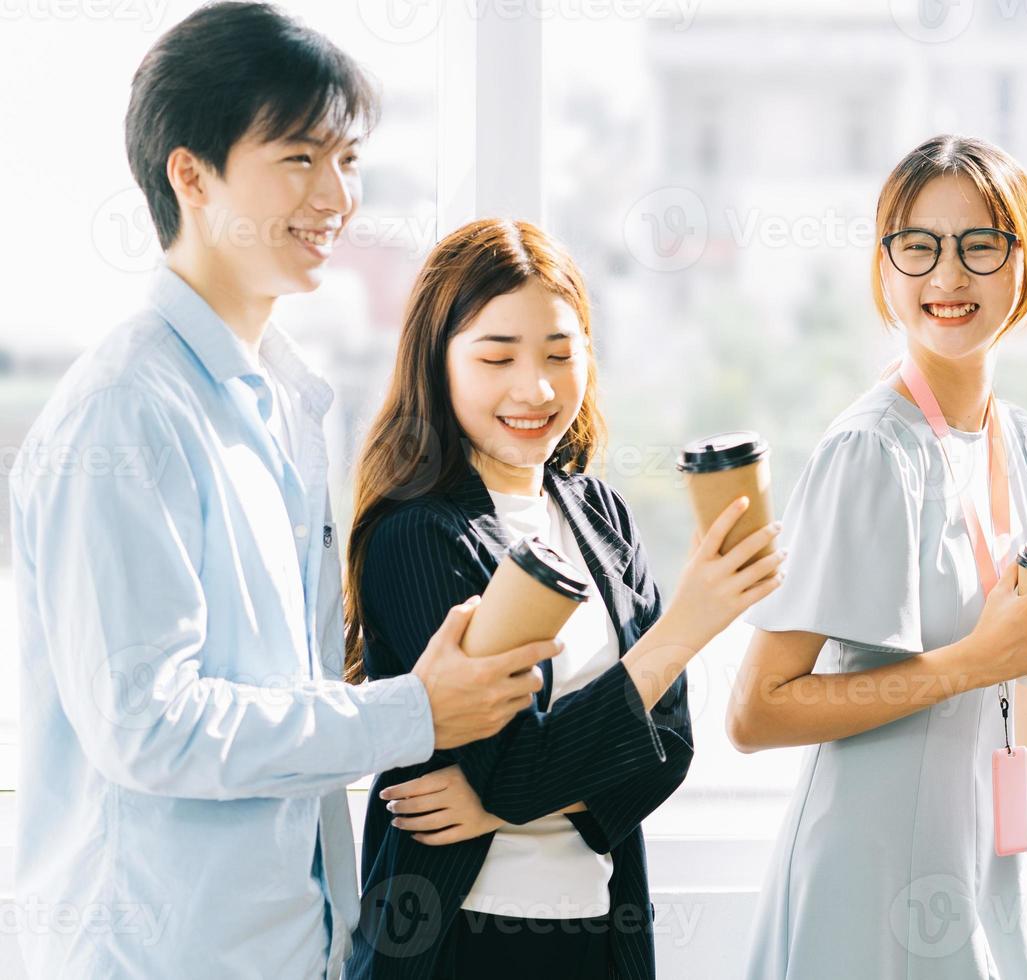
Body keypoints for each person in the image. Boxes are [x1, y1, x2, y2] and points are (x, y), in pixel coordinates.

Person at [7, 6, 558, 977]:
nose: (337, 196)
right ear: (192, 174)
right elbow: (150, 722)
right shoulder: (127, 412)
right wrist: (413, 710)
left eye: (347, 160)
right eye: (299, 157)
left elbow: (275, 697)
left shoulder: (289, 401)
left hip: (291, 942)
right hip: (155, 955)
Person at [727, 135, 1027, 980]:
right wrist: (973, 661)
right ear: (884, 268)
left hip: (984, 863)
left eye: (980, 245)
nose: (947, 277)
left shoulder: (1018, 441)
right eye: (918, 246)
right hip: (866, 882)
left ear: (1024, 264)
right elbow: (755, 712)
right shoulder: (870, 451)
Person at [341, 218, 783, 978]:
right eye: (496, 356)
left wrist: (497, 802)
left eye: (559, 353)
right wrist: (683, 628)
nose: (536, 388)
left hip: (598, 937)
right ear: (437, 362)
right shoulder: (415, 536)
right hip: (456, 942)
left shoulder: (598, 513)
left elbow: (667, 750)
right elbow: (514, 761)